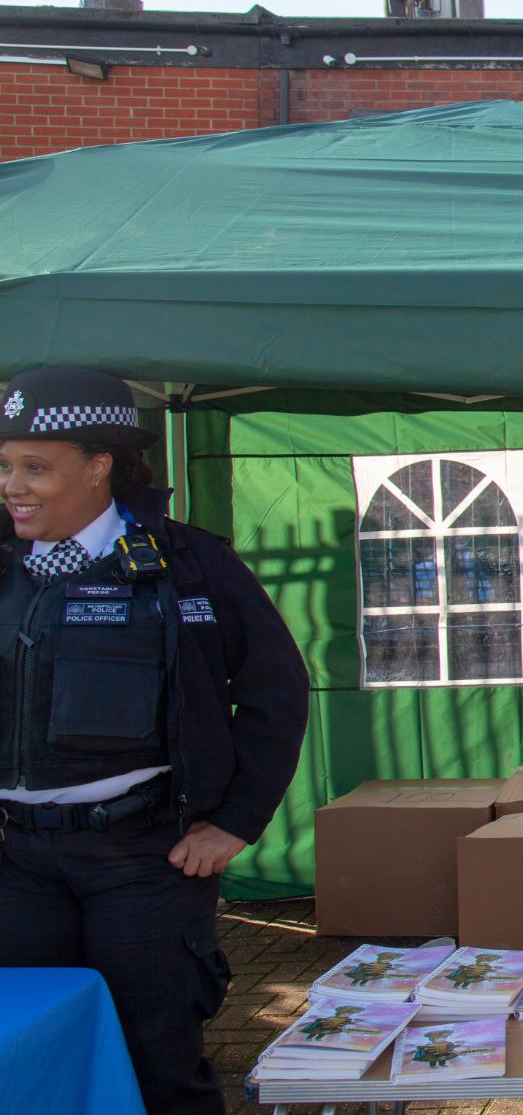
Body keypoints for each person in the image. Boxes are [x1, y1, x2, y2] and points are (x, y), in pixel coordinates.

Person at [0, 368, 310, 1115]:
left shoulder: (188, 562)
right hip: (18, 864)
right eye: (5, 466)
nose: (13, 486)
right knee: (33, 1059)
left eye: (35, 467)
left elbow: (275, 691)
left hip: (144, 861)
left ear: (99, 466)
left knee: (157, 1062)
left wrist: (236, 821)